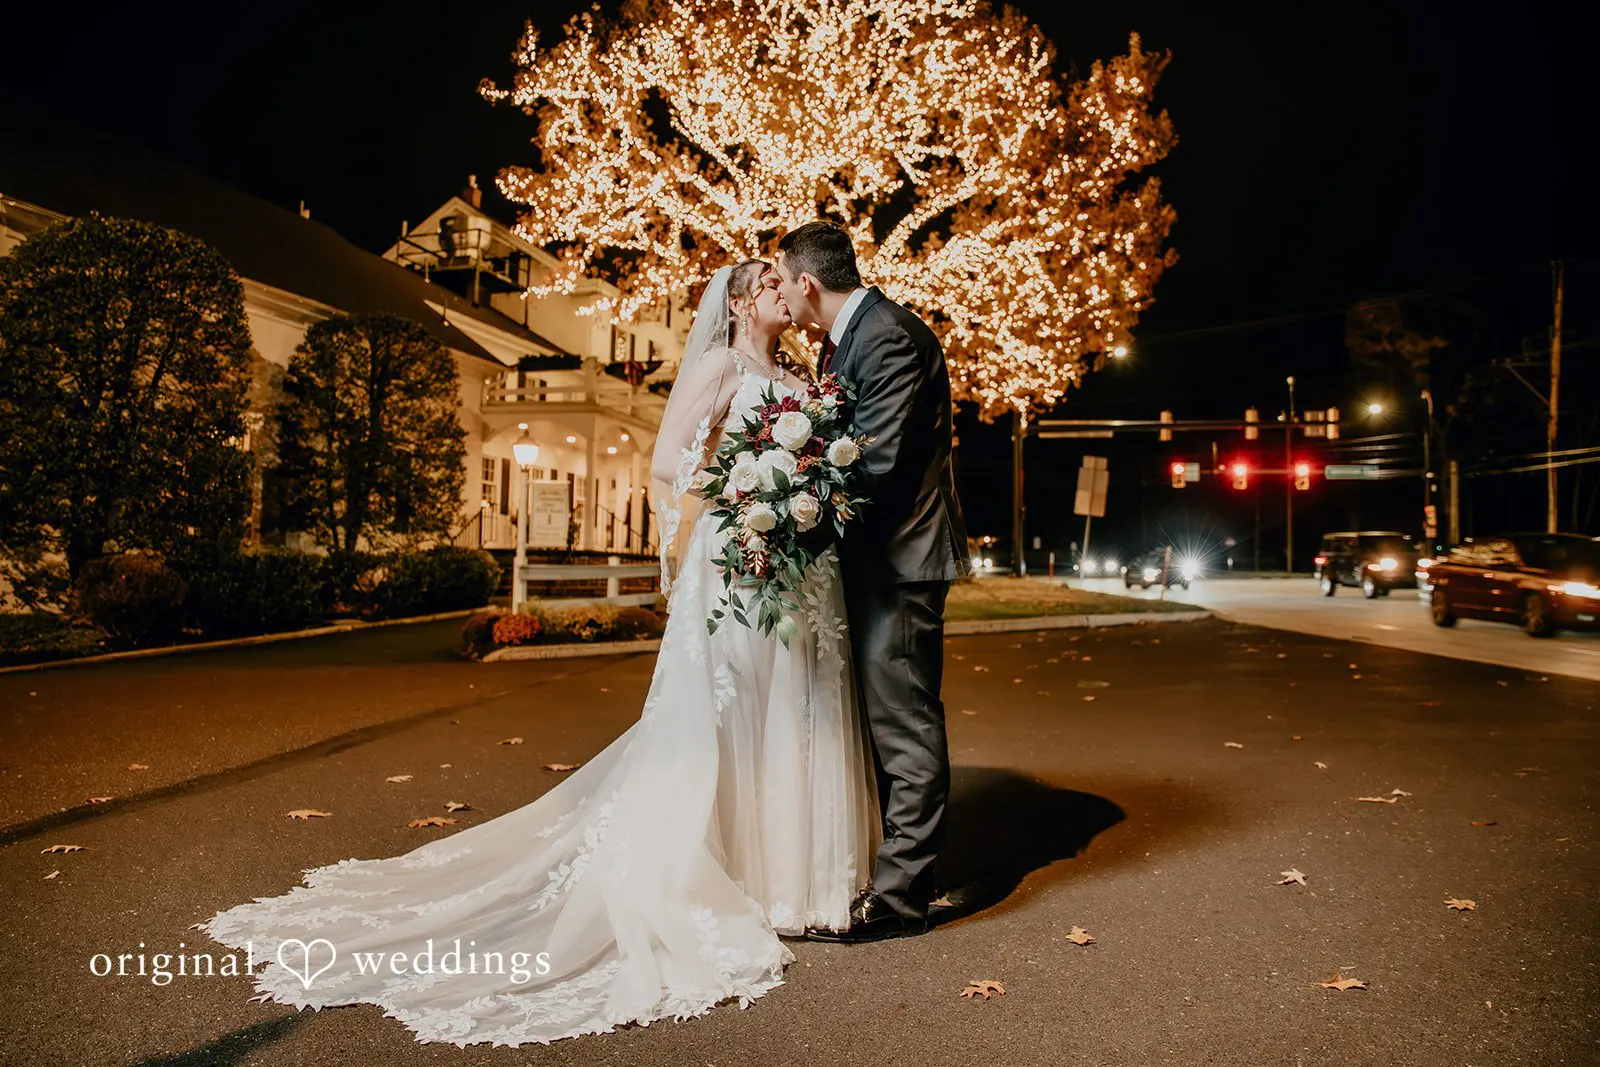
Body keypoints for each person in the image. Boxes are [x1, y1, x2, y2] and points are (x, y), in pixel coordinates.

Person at [197, 260, 881, 1047]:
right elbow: (667, 462)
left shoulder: (794, 369)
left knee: (783, 703)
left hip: (793, 565)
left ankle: (786, 880)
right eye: (766, 283)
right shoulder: (721, 364)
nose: (778, 293)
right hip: (739, 554)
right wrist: (749, 492)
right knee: (724, 710)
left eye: (779, 284)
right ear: (737, 301)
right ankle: (721, 869)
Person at [772, 221, 971, 943]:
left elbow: (877, 465)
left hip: (900, 561)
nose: (780, 292)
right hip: (873, 561)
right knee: (884, 723)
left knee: (904, 721)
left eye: (781, 277)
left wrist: (790, 511)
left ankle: (903, 899)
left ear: (807, 283)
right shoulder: (844, 340)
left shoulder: (885, 334)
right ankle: (898, 870)